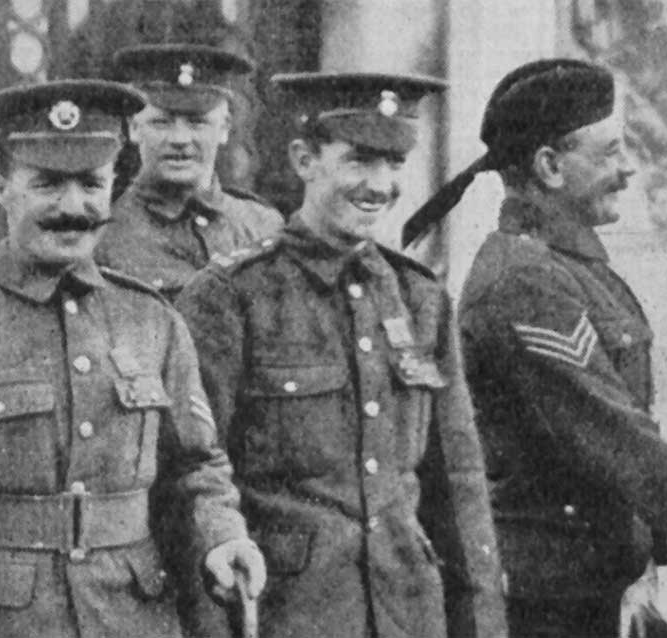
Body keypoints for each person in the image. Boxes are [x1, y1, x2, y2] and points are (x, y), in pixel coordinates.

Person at [0, 79, 265, 638]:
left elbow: (195, 468)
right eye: (48, 183)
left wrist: (221, 536)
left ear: (112, 187)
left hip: (134, 619)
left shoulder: (153, 321)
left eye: (91, 184)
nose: (73, 207)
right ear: (2, 189)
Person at [408, 58, 667, 637]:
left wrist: (644, 561)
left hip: (595, 591)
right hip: (545, 607)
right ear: (550, 166)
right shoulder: (525, 280)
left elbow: (625, 429)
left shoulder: (574, 269)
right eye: (611, 152)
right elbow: (609, 430)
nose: (628, 168)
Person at [173, 71, 504, 638]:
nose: (380, 185)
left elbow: (459, 485)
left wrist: (484, 625)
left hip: (409, 613)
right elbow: (191, 473)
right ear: (304, 160)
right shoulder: (231, 296)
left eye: (394, 164)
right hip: (287, 615)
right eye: (359, 161)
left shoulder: (419, 297)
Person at [95, 43, 282, 297]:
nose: (180, 139)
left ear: (225, 127)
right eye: (162, 122)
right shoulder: (104, 235)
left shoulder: (263, 226)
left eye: (197, 122)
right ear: (134, 128)